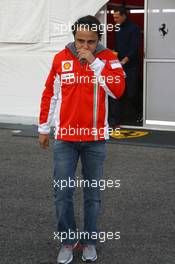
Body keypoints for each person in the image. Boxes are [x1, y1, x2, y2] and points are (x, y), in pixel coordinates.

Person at [38, 15, 125, 264]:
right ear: (73, 37)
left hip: (95, 140)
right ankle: (67, 241)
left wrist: (95, 63)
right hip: (65, 138)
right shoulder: (60, 59)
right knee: (62, 193)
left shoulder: (109, 59)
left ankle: (89, 241)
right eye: (80, 41)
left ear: (99, 39)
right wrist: (44, 127)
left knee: (92, 195)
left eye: (90, 42)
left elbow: (117, 91)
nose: (84, 46)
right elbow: (50, 95)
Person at [108, 6, 141, 126]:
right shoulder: (118, 28)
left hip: (130, 66)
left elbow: (135, 47)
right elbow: (117, 46)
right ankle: (115, 120)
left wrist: (125, 60)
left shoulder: (134, 28)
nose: (115, 19)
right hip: (119, 65)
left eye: (117, 17)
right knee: (117, 93)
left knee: (132, 93)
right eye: (113, 17)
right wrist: (113, 55)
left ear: (123, 16)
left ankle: (140, 113)